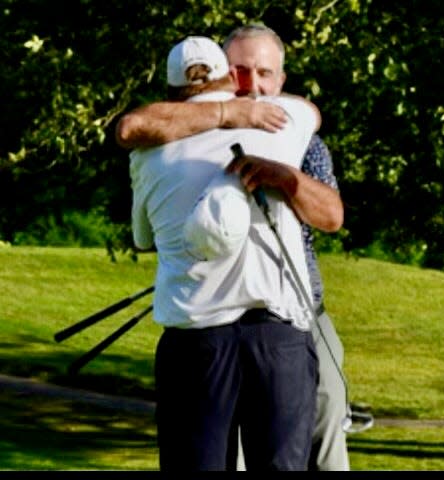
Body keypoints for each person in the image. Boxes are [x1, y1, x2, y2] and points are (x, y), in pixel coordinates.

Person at [116, 24, 349, 471]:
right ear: (227, 73)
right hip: (277, 336)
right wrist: (228, 112)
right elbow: (310, 110)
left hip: (207, 337)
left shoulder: (147, 151)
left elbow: (131, 135)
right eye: (242, 72)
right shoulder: (287, 124)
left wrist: (286, 177)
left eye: (265, 73)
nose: (254, 85)